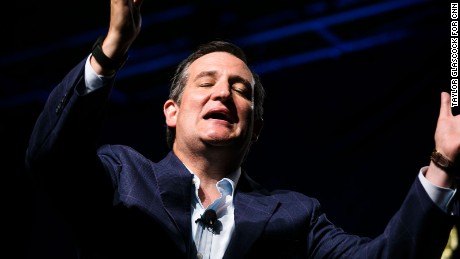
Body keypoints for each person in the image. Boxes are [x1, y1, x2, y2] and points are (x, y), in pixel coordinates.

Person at [25, 0, 460, 258]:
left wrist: (443, 165)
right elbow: (50, 155)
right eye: (206, 82)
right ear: (171, 112)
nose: (223, 94)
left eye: (241, 89)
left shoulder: (295, 216)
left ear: (255, 128)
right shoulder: (121, 176)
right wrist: (110, 51)